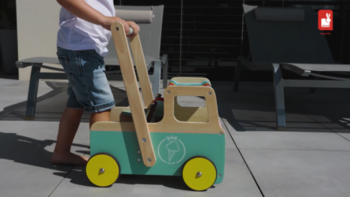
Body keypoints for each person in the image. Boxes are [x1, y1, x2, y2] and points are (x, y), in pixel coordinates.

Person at [51, 0, 139, 166]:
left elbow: (99, 8)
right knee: (102, 104)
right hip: (80, 49)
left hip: (85, 49)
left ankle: (61, 153)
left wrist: (118, 21)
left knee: (76, 103)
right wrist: (104, 20)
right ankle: (103, 161)